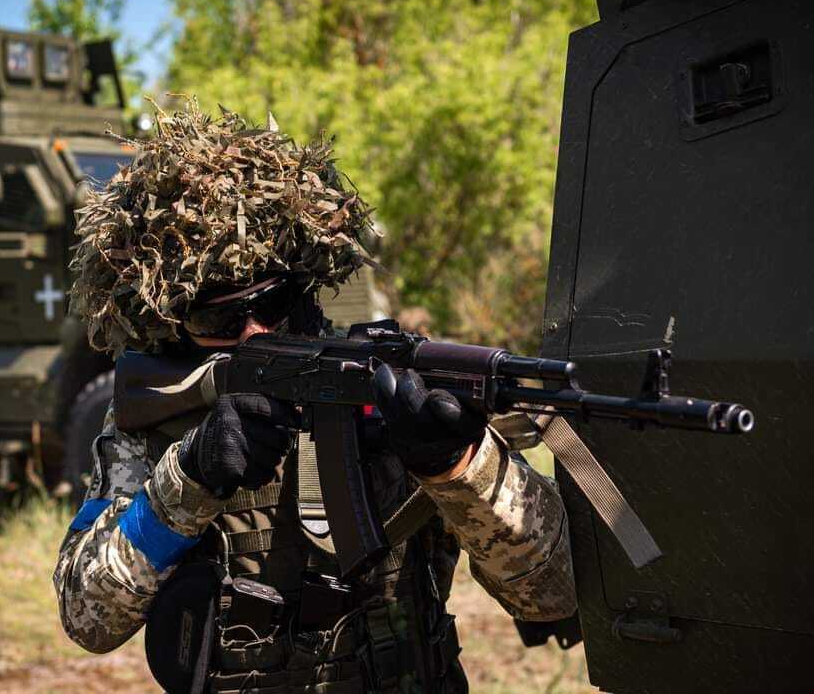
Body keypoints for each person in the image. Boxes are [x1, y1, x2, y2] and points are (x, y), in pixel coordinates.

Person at [54, 103, 576, 693]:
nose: (254, 335)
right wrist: (189, 479)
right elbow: (85, 617)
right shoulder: (162, 415)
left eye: (272, 305)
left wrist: (459, 468)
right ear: (176, 321)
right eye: (218, 318)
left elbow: (552, 595)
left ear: (308, 289)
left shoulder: (394, 386)